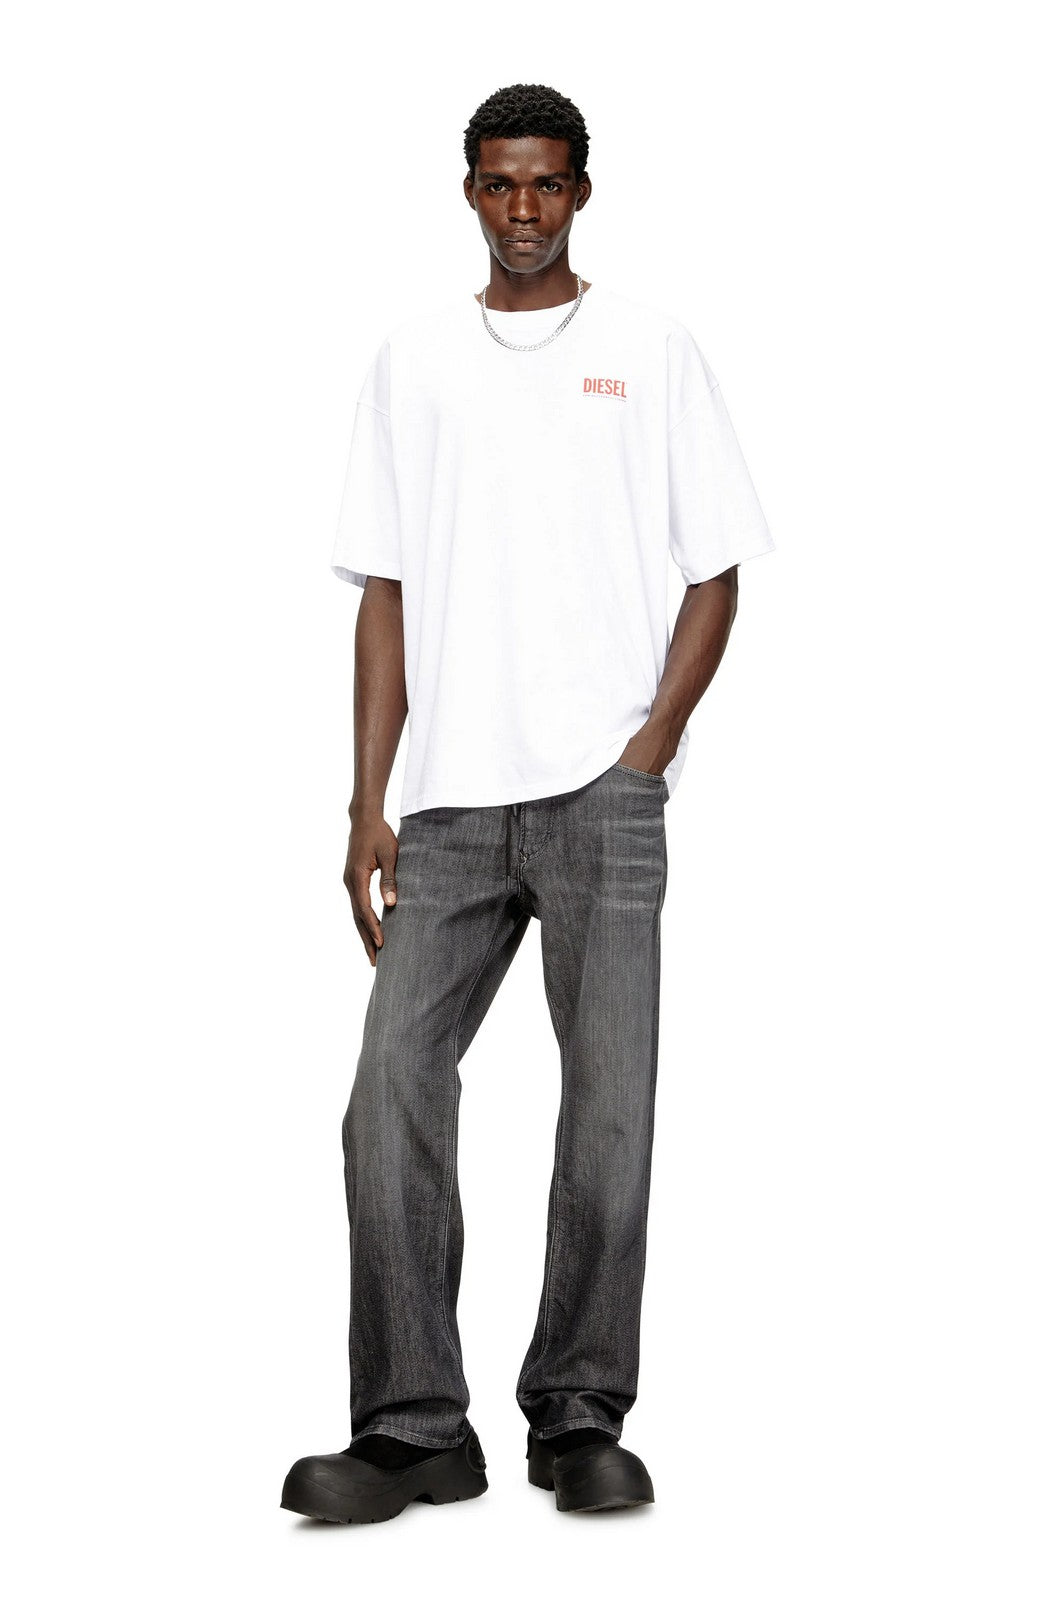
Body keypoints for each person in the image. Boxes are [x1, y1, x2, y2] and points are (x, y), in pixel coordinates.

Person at [281, 82, 775, 1524]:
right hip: (445, 807)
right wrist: (365, 803)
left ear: (582, 191)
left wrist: (648, 751)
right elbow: (382, 591)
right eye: (499, 184)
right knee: (388, 1097)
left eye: (546, 184)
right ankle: (412, 1427)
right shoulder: (413, 360)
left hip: (602, 801)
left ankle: (577, 1413)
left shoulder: (651, 349)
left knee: (609, 1115)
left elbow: (715, 572)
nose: (522, 210)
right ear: (468, 190)